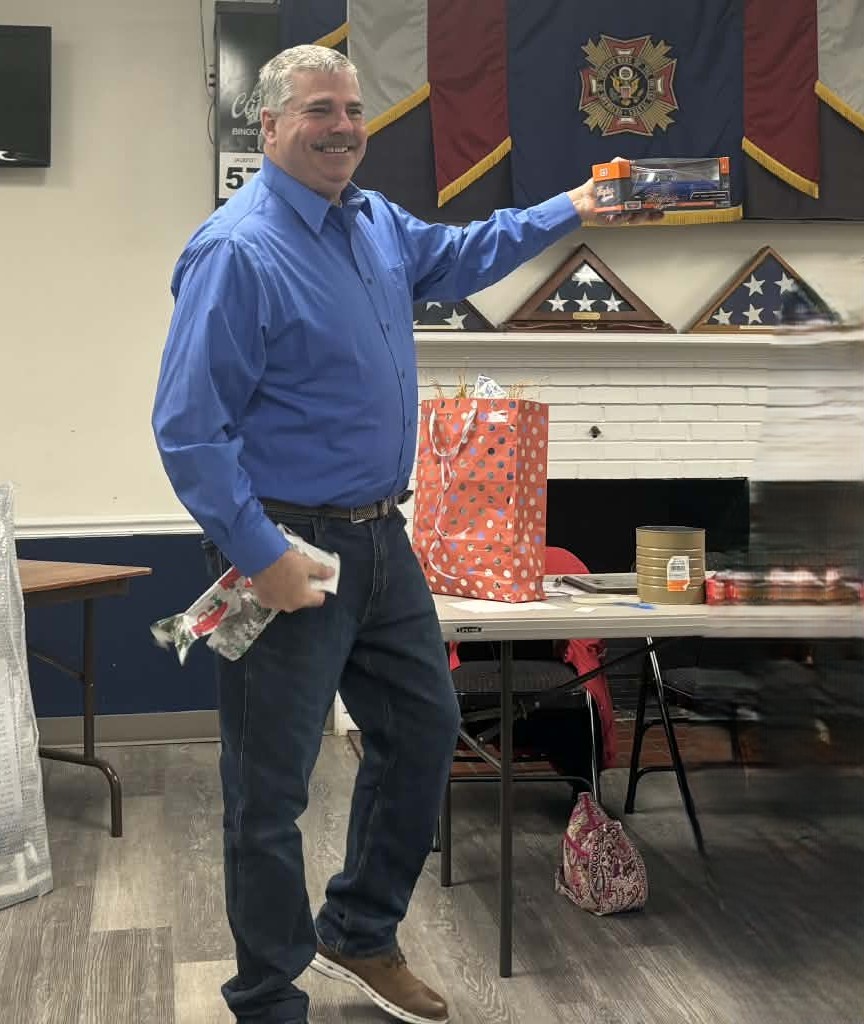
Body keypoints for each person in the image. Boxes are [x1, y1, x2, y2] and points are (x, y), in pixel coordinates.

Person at [152, 43, 656, 1024]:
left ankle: (359, 929)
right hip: (283, 547)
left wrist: (576, 206)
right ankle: (266, 994)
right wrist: (260, 554)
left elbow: (468, 252)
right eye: (319, 110)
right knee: (269, 792)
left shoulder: (374, 222)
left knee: (424, 734)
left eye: (353, 109)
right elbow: (188, 430)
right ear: (270, 126)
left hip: (382, 542)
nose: (343, 126)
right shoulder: (236, 252)